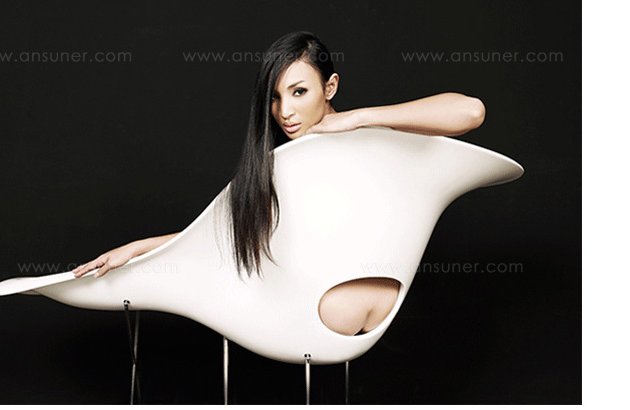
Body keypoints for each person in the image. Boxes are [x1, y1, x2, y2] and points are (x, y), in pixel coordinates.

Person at [73, 31, 485, 336]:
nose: (285, 111)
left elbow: (470, 111)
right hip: (315, 306)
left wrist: (358, 118)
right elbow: (222, 234)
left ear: (330, 87)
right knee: (230, 274)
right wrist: (137, 248)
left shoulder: (371, 140)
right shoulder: (279, 166)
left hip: (356, 297)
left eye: (299, 92)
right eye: (274, 97)